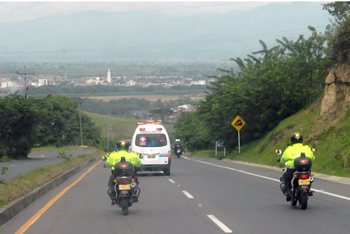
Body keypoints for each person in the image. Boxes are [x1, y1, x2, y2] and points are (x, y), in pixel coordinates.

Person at [279, 132, 315, 201]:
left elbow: (283, 160)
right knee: (309, 177)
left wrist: (281, 161)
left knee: (286, 177)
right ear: (301, 139)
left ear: (292, 140)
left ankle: (289, 192)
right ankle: (308, 190)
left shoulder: (289, 149)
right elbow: (313, 158)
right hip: (306, 168)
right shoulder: (307, 148)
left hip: (292, 168)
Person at [105, 139, 142, 205]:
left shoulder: (113, 155)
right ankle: (134, 194)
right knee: (135, 181)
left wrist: (106, 165)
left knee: (111, 184)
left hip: (116, 174)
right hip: (130, 174)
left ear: (118, 147)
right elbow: (138, 164)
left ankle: (113, 197)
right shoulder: (133, 155)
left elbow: (107, 164)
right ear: (127, 147)